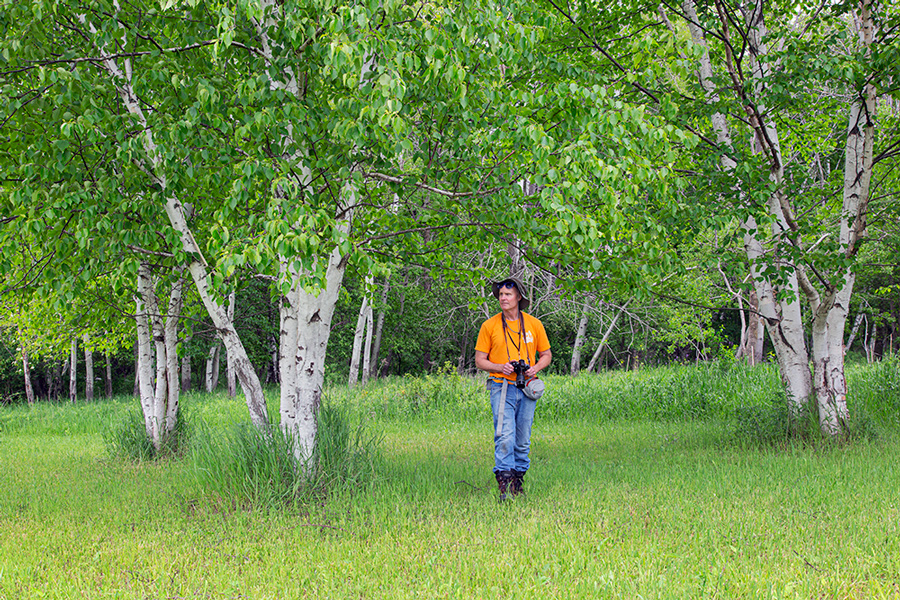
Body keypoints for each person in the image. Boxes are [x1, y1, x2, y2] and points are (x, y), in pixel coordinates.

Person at [474, 277, 551, 500]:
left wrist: (533, 368)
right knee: (504, 435)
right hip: (501, 386)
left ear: (519, 297)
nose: (503, 298)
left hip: (527, 387)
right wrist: (501, 367)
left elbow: (546, 355)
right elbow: (480, 360)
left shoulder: (534, 324)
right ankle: (504, 487)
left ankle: (518, 484)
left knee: (522, 438)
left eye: (508, 294)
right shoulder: (489, 325)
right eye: (500, 295)